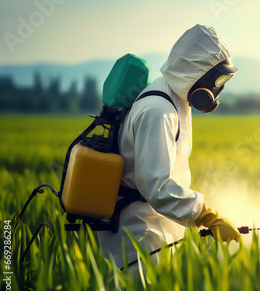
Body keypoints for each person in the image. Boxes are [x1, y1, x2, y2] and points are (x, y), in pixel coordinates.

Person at [97, 24, 240, 270]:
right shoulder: (158, 111)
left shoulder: (174, 98)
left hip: (154, 229)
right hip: (137, 238)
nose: (220, 88)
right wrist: (206, 216)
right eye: (219, 79)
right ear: (198, 73)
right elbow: (157, 186)